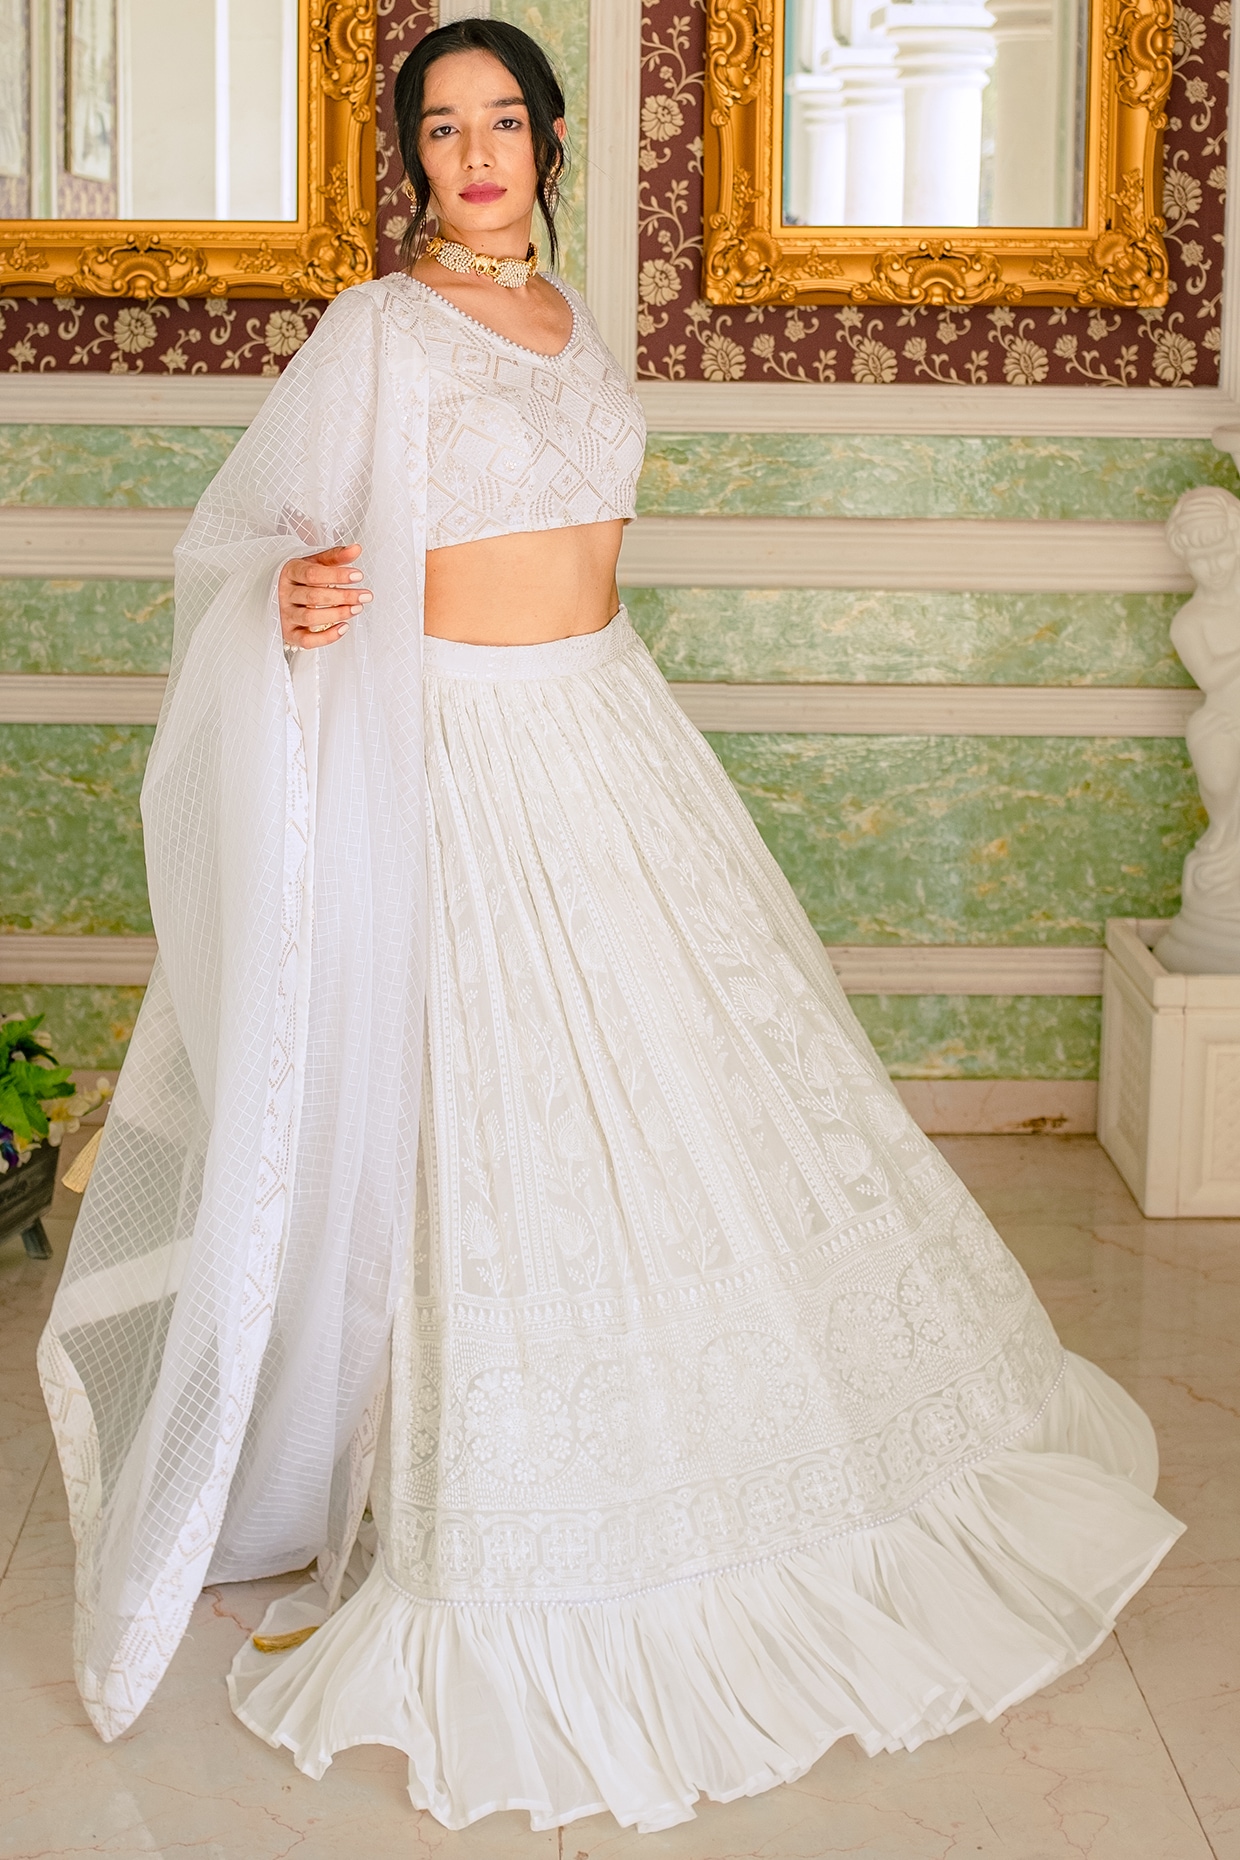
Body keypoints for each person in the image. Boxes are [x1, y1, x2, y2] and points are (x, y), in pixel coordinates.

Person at [40, 18, 1182, 1836]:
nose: (476, 151)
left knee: (708, 1109)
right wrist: (291, 594)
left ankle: (756, 1446)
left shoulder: (578, 323)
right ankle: (502, 1495)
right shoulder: (378, 330)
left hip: (606, 730)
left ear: (551, 139)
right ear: (412, 157)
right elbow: (242, 539)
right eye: (442, 127)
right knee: (505, 1135)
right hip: (460, 761)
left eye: (503, 119)